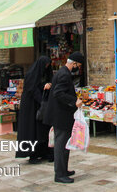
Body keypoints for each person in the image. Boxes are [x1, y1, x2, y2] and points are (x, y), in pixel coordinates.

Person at [45, 51, 84, 184]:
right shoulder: (64, 75)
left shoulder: (62, 72)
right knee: (61, 145)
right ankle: (59, 174)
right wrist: (74, 102)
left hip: (62, 115)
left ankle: (63, 170)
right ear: (74, 63)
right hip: (60, 115)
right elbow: (58, 93)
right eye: (78, 65)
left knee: (64, 143)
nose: (78, 68)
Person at [15, 56, 54, 164]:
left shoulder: (43, 73)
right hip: (31, 107)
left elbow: (40, 85)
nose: (46, 67)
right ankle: (32, 155)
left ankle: (42, 152)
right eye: (45, 65)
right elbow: (32, 88)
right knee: (32, 131)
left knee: (41, 130)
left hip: (40, 106)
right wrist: (42, 94)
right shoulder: (32, 74)